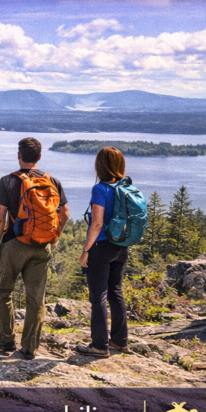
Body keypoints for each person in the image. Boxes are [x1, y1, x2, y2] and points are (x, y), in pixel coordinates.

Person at [0, 137, 69, 360]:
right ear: (39, 157)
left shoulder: (7, 181)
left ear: (18, 156)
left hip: (14, 243)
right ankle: (30, 347)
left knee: (2, 291)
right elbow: (65, 214)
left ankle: (4, 339)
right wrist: (54, 237)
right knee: (36, 298)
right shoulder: (53, 181)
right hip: (42, 247)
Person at [76, 146, 131, 358]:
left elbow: (96, 224)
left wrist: (85, 250)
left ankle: (99, 345)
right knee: (116, 292)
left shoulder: (100, 189)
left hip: (102, 247)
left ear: (100, 166)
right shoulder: (125, 187)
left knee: (98, 295)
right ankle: (120, 341)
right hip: (121, 245)